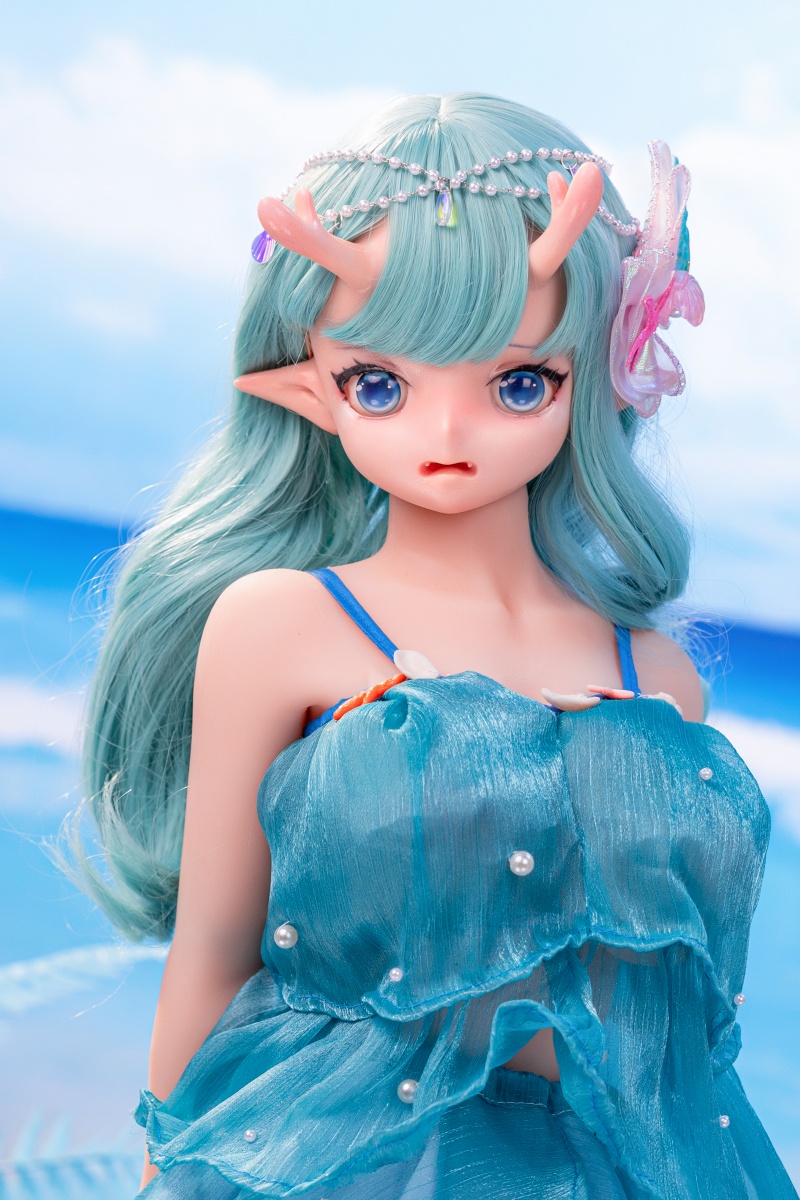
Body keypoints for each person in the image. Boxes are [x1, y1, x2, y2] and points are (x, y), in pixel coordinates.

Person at [63, 93, 799, 1198]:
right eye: (380, 384)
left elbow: (681, 1024)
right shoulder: (282, 623)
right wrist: (168, 1168)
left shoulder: (656, 674)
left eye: (518, 382)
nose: (446, 433)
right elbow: (215, 950)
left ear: (597, 372)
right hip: (352, 1164)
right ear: (307, 384)